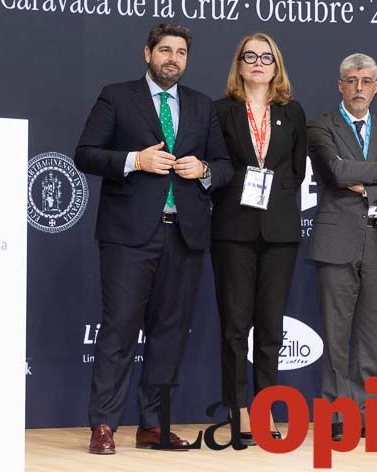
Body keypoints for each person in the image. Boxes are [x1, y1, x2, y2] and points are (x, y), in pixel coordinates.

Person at [74, 23, 233, 455]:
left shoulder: (202, 106)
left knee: (169, 333)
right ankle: (103, 425)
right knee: (120, 328)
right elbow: (85, 153)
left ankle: (154, 426)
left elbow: (224, 166)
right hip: (128, 236)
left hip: (184, 234)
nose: (173, 59)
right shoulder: (117, 96)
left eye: (181, 52)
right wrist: (134, 160)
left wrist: (203, 171)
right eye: (165, 50)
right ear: (147, 54)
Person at [307, 52, 377, 440]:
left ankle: (370, 411)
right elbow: (335, 171)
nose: (358, 88)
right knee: (337, 333)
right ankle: (338, 414)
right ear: (340, 85)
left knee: (370, 333)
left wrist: (369, 187)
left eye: (366, 81)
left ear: (376, 86)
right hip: (337, 239)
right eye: (351, 81)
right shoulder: (321, 125)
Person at [211, 33, 307, 444]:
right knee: (235, 326)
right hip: (233, 228)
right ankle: (239, 412)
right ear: (239, 64)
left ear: (276, 66)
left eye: (266, 57)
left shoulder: (292, 112)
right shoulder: (220, 112)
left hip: (280, 231)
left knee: (270, 326)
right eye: (249, 56)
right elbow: (217, 167)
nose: (257, 63)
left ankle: (266, 409)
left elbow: (296, 171)